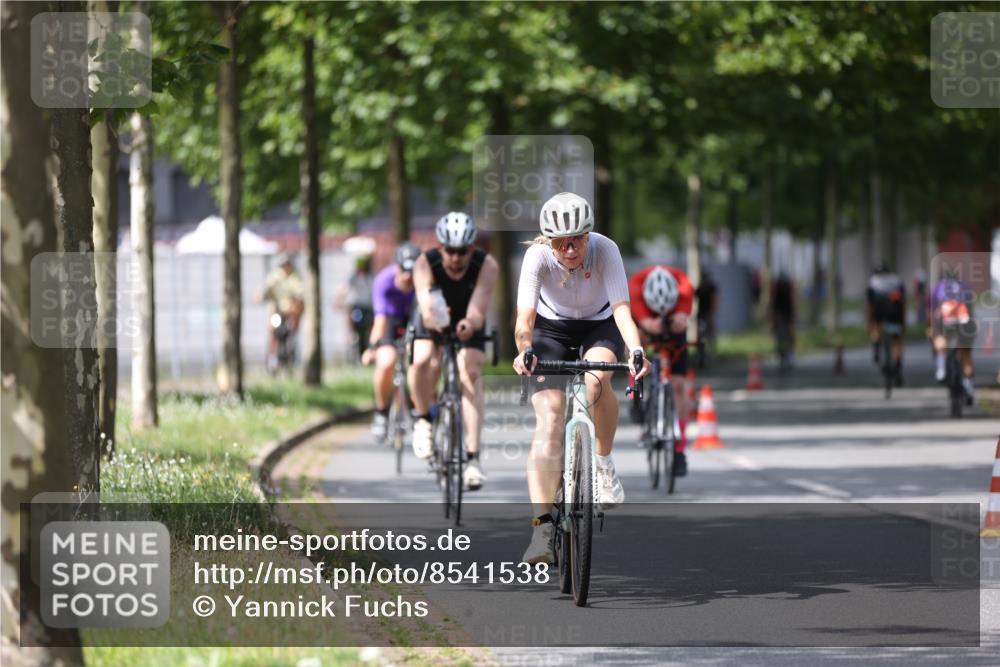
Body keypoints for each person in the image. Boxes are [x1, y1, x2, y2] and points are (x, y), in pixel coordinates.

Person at [513, 192, 650, 565]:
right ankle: (542, 528)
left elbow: (622, 310)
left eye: (578, 238)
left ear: (589, 235)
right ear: (547, 240)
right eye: (561, 241)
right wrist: (524, 350)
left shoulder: (606, 250)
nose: (571, 248)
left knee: (598, 378)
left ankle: (603, 462)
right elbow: (525, 321)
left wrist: (635, 349)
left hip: (598, 326)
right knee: (551, 419)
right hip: (550, 331)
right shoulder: (536, 257)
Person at [409, 212, 498, 491]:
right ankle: (423, 419)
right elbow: (425, 308)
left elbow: (479, 307)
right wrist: (439, 322)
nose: (456, 258)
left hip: (468, 318)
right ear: (441, 247)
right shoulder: (425, 263)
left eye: (462, 251)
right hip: (433, 315)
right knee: (424, 360)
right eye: (450, 251)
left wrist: (469, 324)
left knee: (470, 372)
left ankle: (472, 458)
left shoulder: (487, 264)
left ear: (472, 248)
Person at [628, 265, 695, 478]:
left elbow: (684, 321)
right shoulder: (635, 287)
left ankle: (679, 450)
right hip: (644, 320)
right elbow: (643, 322)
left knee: (678, 386)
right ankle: (634, 391)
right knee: (635, 343)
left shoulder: (684, 287)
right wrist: (649, 325)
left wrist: (679, 320)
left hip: (674, 321)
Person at [362, 243, 420, 441]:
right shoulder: (383, 281)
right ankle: (381, 412)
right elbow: (380, 319)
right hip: (390, 320)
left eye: (413, 272)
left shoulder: (423, 281)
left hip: (414, 319)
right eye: (404, 270)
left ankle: (416, 407)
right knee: (386, 362)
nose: (408, 276)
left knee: (419, 362)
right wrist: (372, 347)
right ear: (397, 267)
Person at [928, 268, 976, 403]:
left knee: (941, 341)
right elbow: (971, 310)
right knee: (966, 355)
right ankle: (969, 388)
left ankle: (941, 369)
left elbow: (931, 310)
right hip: (964, 319)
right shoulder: (964, 286)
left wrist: (932, 329)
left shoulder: (937, 287)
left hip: (944, 318)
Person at [257, 253, 304, 371]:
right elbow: (266, 289)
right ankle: (273, 359)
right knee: (273, 333)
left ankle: (290, 355)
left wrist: (296, 305)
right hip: (277, 311)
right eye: (283, 265)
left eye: (287, 264)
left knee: (292, 331)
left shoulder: (295, 277)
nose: (285, 267)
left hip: (290, 312)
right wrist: (260, 296)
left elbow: (300, 293)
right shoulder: (275, 277)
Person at [866, 262, 906, 386]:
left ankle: (876, 346)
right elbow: (902, 302)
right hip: (894, 309)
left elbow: (870, 305)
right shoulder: (896, 280)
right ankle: (898, 366)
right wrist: (903, 322)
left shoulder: (873, 281)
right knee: (897, 339)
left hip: (879, 307)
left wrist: (870, 322)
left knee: (876, 325)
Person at [334, 255, 375, 361]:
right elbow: (342, 289)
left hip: (369, 307)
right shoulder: (353, 277)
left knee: (371, 329)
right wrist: (338, 301)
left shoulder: (372, 277)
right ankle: (354, 342)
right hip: (358, 308)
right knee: (356, 326)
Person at [770, 271, 796, 370]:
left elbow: (772, 302)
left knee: (783, 336)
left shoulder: (779, 287)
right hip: (782, 314)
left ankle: (786, 356)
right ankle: (786, 356)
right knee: (783, 336)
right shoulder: (783, 287)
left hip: (783, 314)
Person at [695, 270, 719, 368]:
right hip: (701, 315)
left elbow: (715, 299)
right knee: (701, 336)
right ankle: (702, 355)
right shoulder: (700, 289)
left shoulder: (711, 288)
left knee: (710, 335)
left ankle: (711, 355)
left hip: (708, 314)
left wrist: (713, 312)